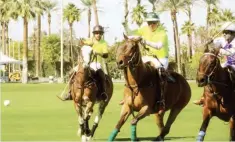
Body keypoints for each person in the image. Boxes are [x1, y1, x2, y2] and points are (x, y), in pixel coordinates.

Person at [120, 12, 173, 111]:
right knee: (132, 67)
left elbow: (158, 46)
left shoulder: (162, 33)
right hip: (148, 57)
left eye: (153, 22)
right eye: (149, 23)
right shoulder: (144, 29)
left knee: (160, 73)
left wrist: (144, 41)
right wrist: (125, 24)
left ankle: (161, 99)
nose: (151, 25)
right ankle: (127, 96)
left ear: (157, 23)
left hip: (161, 58)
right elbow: (131, 33)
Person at [61, 25, 109, 101]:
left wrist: (98, 53)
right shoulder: (91, 40)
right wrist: (81, 42)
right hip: (87, 62)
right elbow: (84, 43)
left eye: (100, 33)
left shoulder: (103, 43)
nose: (98, 35)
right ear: (94, 34)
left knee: (101, 76)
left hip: (96, 63)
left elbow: (106, 55)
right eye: (96, 33)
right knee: (72, 73)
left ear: (102, 34)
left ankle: (103, 93)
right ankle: (70, 92)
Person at [193, 22, 235, 106]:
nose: (224, 34)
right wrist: (210, 42)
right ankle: (203, 97)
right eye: (223, 32)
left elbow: (232, 52)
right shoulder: (222, 39)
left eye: (226, 32)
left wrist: (220, 50)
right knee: (211, 74)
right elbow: (215, 46)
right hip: (227, 63)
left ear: (232, 33)